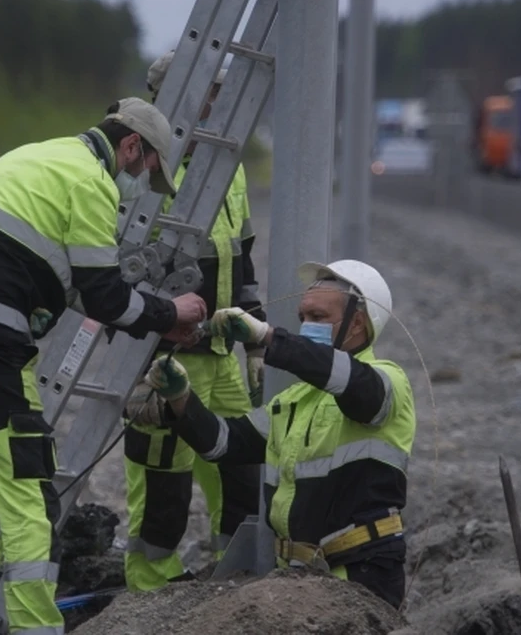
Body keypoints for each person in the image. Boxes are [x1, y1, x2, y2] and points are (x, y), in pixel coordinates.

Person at [0, 97, 207, 635]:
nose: (137, 185)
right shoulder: (91, 181)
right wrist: (168, 314)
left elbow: (47, 268)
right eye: (146, 173)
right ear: (131, 146)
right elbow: (107, 298)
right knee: (31, 495)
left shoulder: (42, 157)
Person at [127, 260, 416, 609]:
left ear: (357, 323)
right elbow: (224, 443)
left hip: (361, 574)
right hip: (298, 579)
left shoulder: (386, 381)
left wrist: (265, 337)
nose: (307, 325)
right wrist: (181, 400)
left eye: (319, 317)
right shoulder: (293, 400)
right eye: (303, 316)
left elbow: (351, 382)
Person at [120, 51, 267, 593]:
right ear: (169, 98)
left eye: (219, 95)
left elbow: (242, 258)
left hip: (221, 352)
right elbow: (116, 267)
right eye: (205, 94)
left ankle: (233, 577)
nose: (214, 106)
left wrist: (254, 332)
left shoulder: (230, 169)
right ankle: (151, 588)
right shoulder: (143, 173)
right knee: (164, 478)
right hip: (162, 355)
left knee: (241, 468)